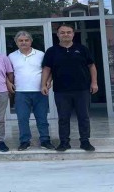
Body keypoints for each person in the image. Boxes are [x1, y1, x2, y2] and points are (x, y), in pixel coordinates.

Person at [42, 24, 98, 152]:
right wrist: (44, 84)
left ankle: (85, 141)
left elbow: (91, 66)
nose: (65, 34)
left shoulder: (82, 49)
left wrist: (94, 83)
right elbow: (47, 69)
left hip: (82, 89)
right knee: (63, 117)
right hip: (61, 90)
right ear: (58, 35)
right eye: (62, 32)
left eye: (68, 32)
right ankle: (64, 142)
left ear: (73, 34)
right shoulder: (52, 51)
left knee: (83, 116)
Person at [8, 31, 55, 151]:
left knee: (42, 118)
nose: (23, 42)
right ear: (16, 42)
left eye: (26, 40)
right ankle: (24, 141)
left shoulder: (41, 54)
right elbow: (7, 72)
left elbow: (49, 70)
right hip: (21, 92)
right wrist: (8, 83)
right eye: (20, 40)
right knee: (22, 119)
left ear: (31, 41)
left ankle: (45, 140)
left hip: (40, 91)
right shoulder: (11, 56)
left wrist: (48, 81)